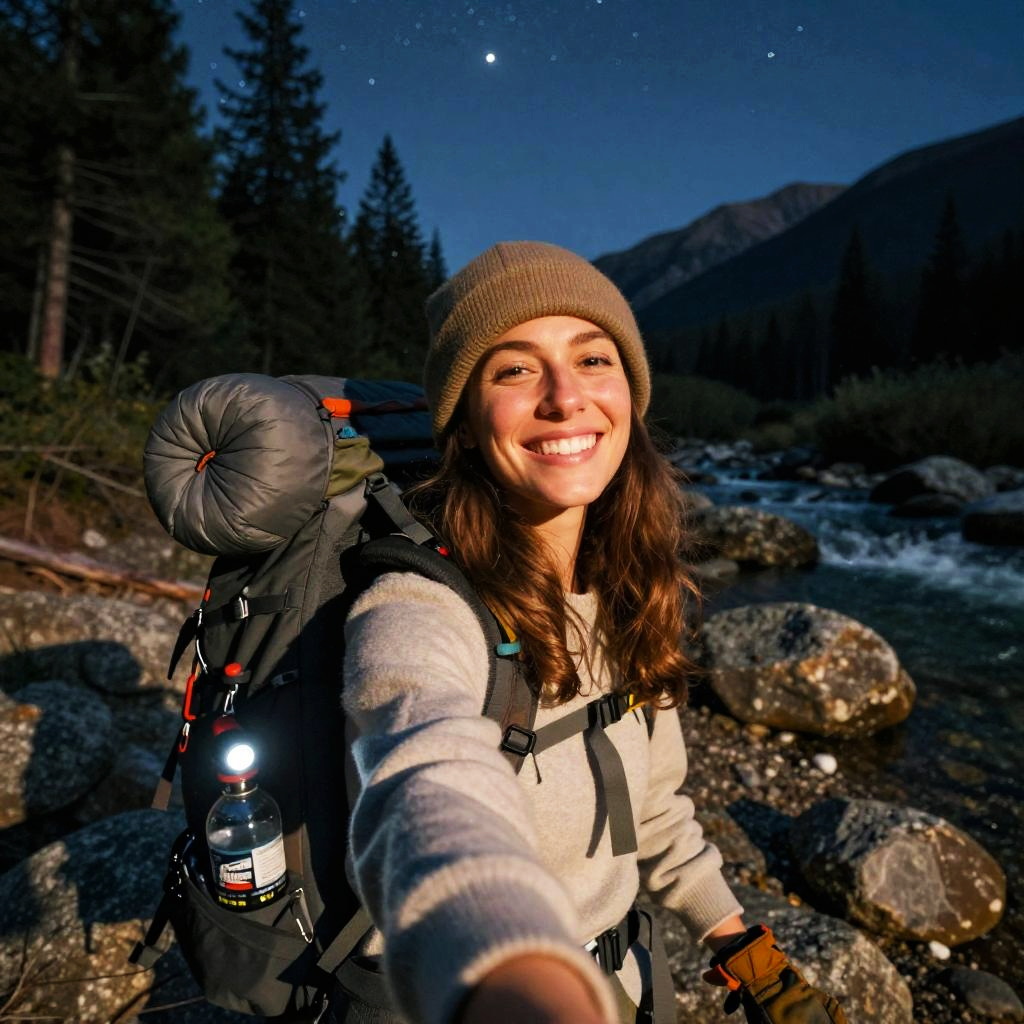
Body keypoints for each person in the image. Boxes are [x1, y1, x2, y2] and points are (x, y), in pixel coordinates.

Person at [337, 242, 845, 1024]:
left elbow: (656, 810)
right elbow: (423, 773)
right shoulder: (417, 604)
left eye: (594, 359)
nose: (566, 398)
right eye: (514, 369)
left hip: (633, 985)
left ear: (631, 397)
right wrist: (509, 973)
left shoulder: (633, 592)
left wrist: (746, 951)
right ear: (466, 426)